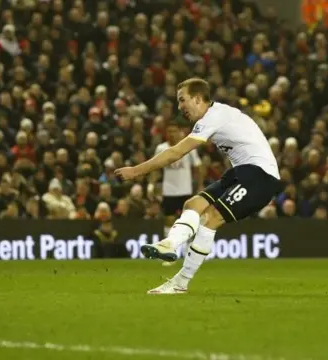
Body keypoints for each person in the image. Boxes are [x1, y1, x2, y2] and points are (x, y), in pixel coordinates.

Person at [115, 78, 281, 294]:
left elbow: (176, 152)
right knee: (193, 204)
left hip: (261, 175)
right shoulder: (218, 115)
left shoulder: (213, 116)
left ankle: (180, 281)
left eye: (182, 100)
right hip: (242, 172)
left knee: (211, 217)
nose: (180, 107)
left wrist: (135, 171)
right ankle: (171, 244)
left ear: (197, 98)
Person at [154, 122, 204, 239]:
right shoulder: (161, 148)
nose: (172, 134)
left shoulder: (188, 146)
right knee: (168, 219)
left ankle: (188, 249)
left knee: (189, 221)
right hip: (169, 190)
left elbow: (198, 167)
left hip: (186, 190)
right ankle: (168, 246)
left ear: (180, 132)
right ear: (166, 133)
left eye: (174, 131)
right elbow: (155, 168)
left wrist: (200, 185)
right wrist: (152, 185)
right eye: (169, 131)